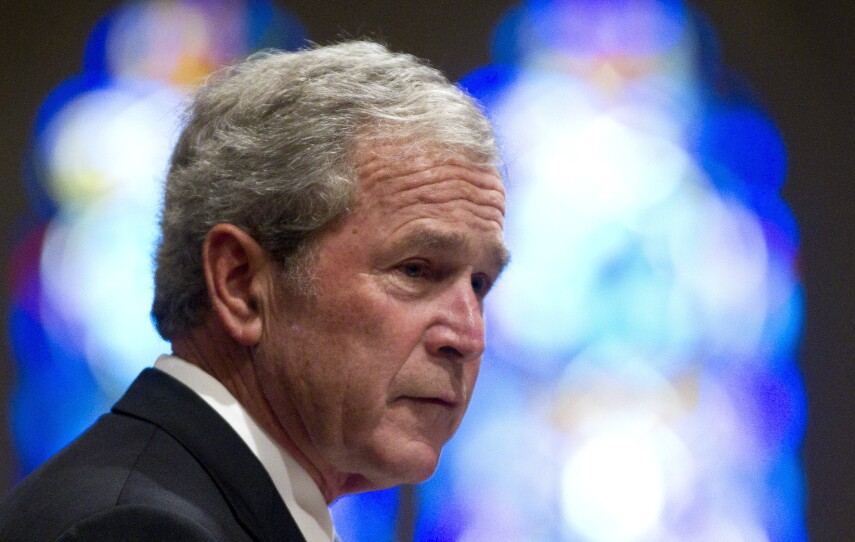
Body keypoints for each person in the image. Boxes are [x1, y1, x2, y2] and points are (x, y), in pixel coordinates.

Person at [0, 40, 508, 541]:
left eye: (480, 283)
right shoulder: (139, 528)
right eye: (416, 270)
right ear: (240, 284)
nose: (469, 335)